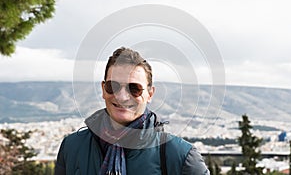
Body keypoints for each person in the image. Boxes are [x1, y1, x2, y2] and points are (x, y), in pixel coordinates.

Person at [54, 47, 210, 175]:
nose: (122, 97)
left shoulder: (180, 155)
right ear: (103, 89)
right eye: (113, 86)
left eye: (134, 88)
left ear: (150, 94)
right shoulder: (72, 146)